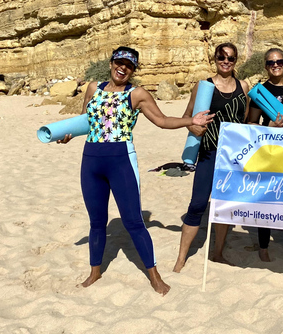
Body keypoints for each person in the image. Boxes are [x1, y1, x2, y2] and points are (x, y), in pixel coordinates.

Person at [58, 46, 213, 296]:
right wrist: (66, 135)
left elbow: (162, 121)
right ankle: (95, 271)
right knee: (97, 222)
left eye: (129, 65)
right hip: (91, 161)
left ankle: (155, 276)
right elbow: (85, 122)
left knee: (133, 222)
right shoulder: (92, 88)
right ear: (111, 63)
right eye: (120, 62)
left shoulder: (137, 94)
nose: (123, 68)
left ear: (133, 70)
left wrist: (190, 121)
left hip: (121, 162)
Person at [174, 42, 250, 272]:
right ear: (214, 59)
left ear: (236, 60)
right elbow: (188, 116)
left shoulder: (244, 86)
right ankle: (181, 259)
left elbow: (244, 122)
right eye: (221, 57)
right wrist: (192, 127)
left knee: (224, 206)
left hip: (233, 157)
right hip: (209, 152)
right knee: (197, 204)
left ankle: (217, 253)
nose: (226, 61)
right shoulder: (203, 86)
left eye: (231, 58)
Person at [247, 48, 283, 262]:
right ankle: (263, 246)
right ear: (265, 66)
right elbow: (250, 124)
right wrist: (268, 126)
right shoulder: (260, 91)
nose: (275, 65)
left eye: (279, 61)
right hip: (269, 151)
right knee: (266, 199)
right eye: (271, 62)